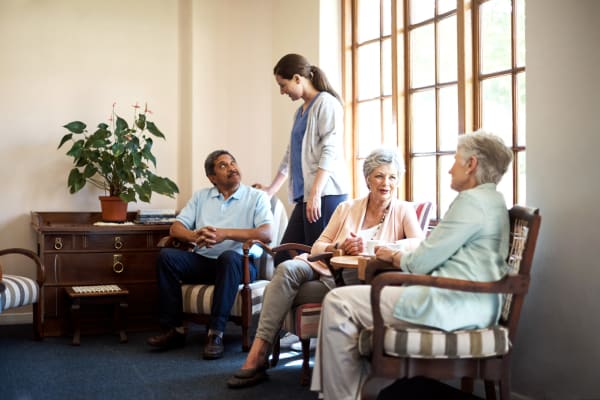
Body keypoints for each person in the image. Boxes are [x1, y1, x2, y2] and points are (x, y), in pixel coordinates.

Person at [311, 131, 514, 400]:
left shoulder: (471, 203)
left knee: (338, 302)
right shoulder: (492, 200)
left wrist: (391, 255)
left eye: (455, 160)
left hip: (453, 305)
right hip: (468, 301)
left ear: (471, 164)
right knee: (343, 300)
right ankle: (353, 391)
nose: (450, 168)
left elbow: (420, 260)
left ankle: (344, 396)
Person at [227, 147, 425, 388]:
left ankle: (257, 355)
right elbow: (318, 247)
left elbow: (417, 244)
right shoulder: (347, 208)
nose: (386, 183)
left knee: (274, 291)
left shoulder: (403, 210)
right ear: (368, 180)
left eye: (392, 177)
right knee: (287, 269)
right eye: (379, 176)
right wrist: (341, 244)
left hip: (356, 283)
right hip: (325, 271)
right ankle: (258, 352)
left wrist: (380, 246)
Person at [147, 150, 273, 360]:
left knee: (229, 257)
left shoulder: (256, 196)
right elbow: (176, 228)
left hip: (239, 265)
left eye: (233, 162)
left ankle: (216, 333)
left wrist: (225, 234)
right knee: (166, 257)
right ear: (212, 177)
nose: (232, 167)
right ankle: (174, 330)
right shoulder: (201, 197)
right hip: (204, 262)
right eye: (223, 165)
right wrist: (194, 237)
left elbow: (267, 233)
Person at [254, 53, 349, 263]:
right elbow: (291, 154)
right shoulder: (300, 112)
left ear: (298, 78)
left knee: (317, 260)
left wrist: (316, 193)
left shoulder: (326, 103)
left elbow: (330, 150)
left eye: (283, 84)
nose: (282, 91)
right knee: (283, 256)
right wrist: (271, 189)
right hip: (308, 196)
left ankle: (321, 297)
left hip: (325, 196)